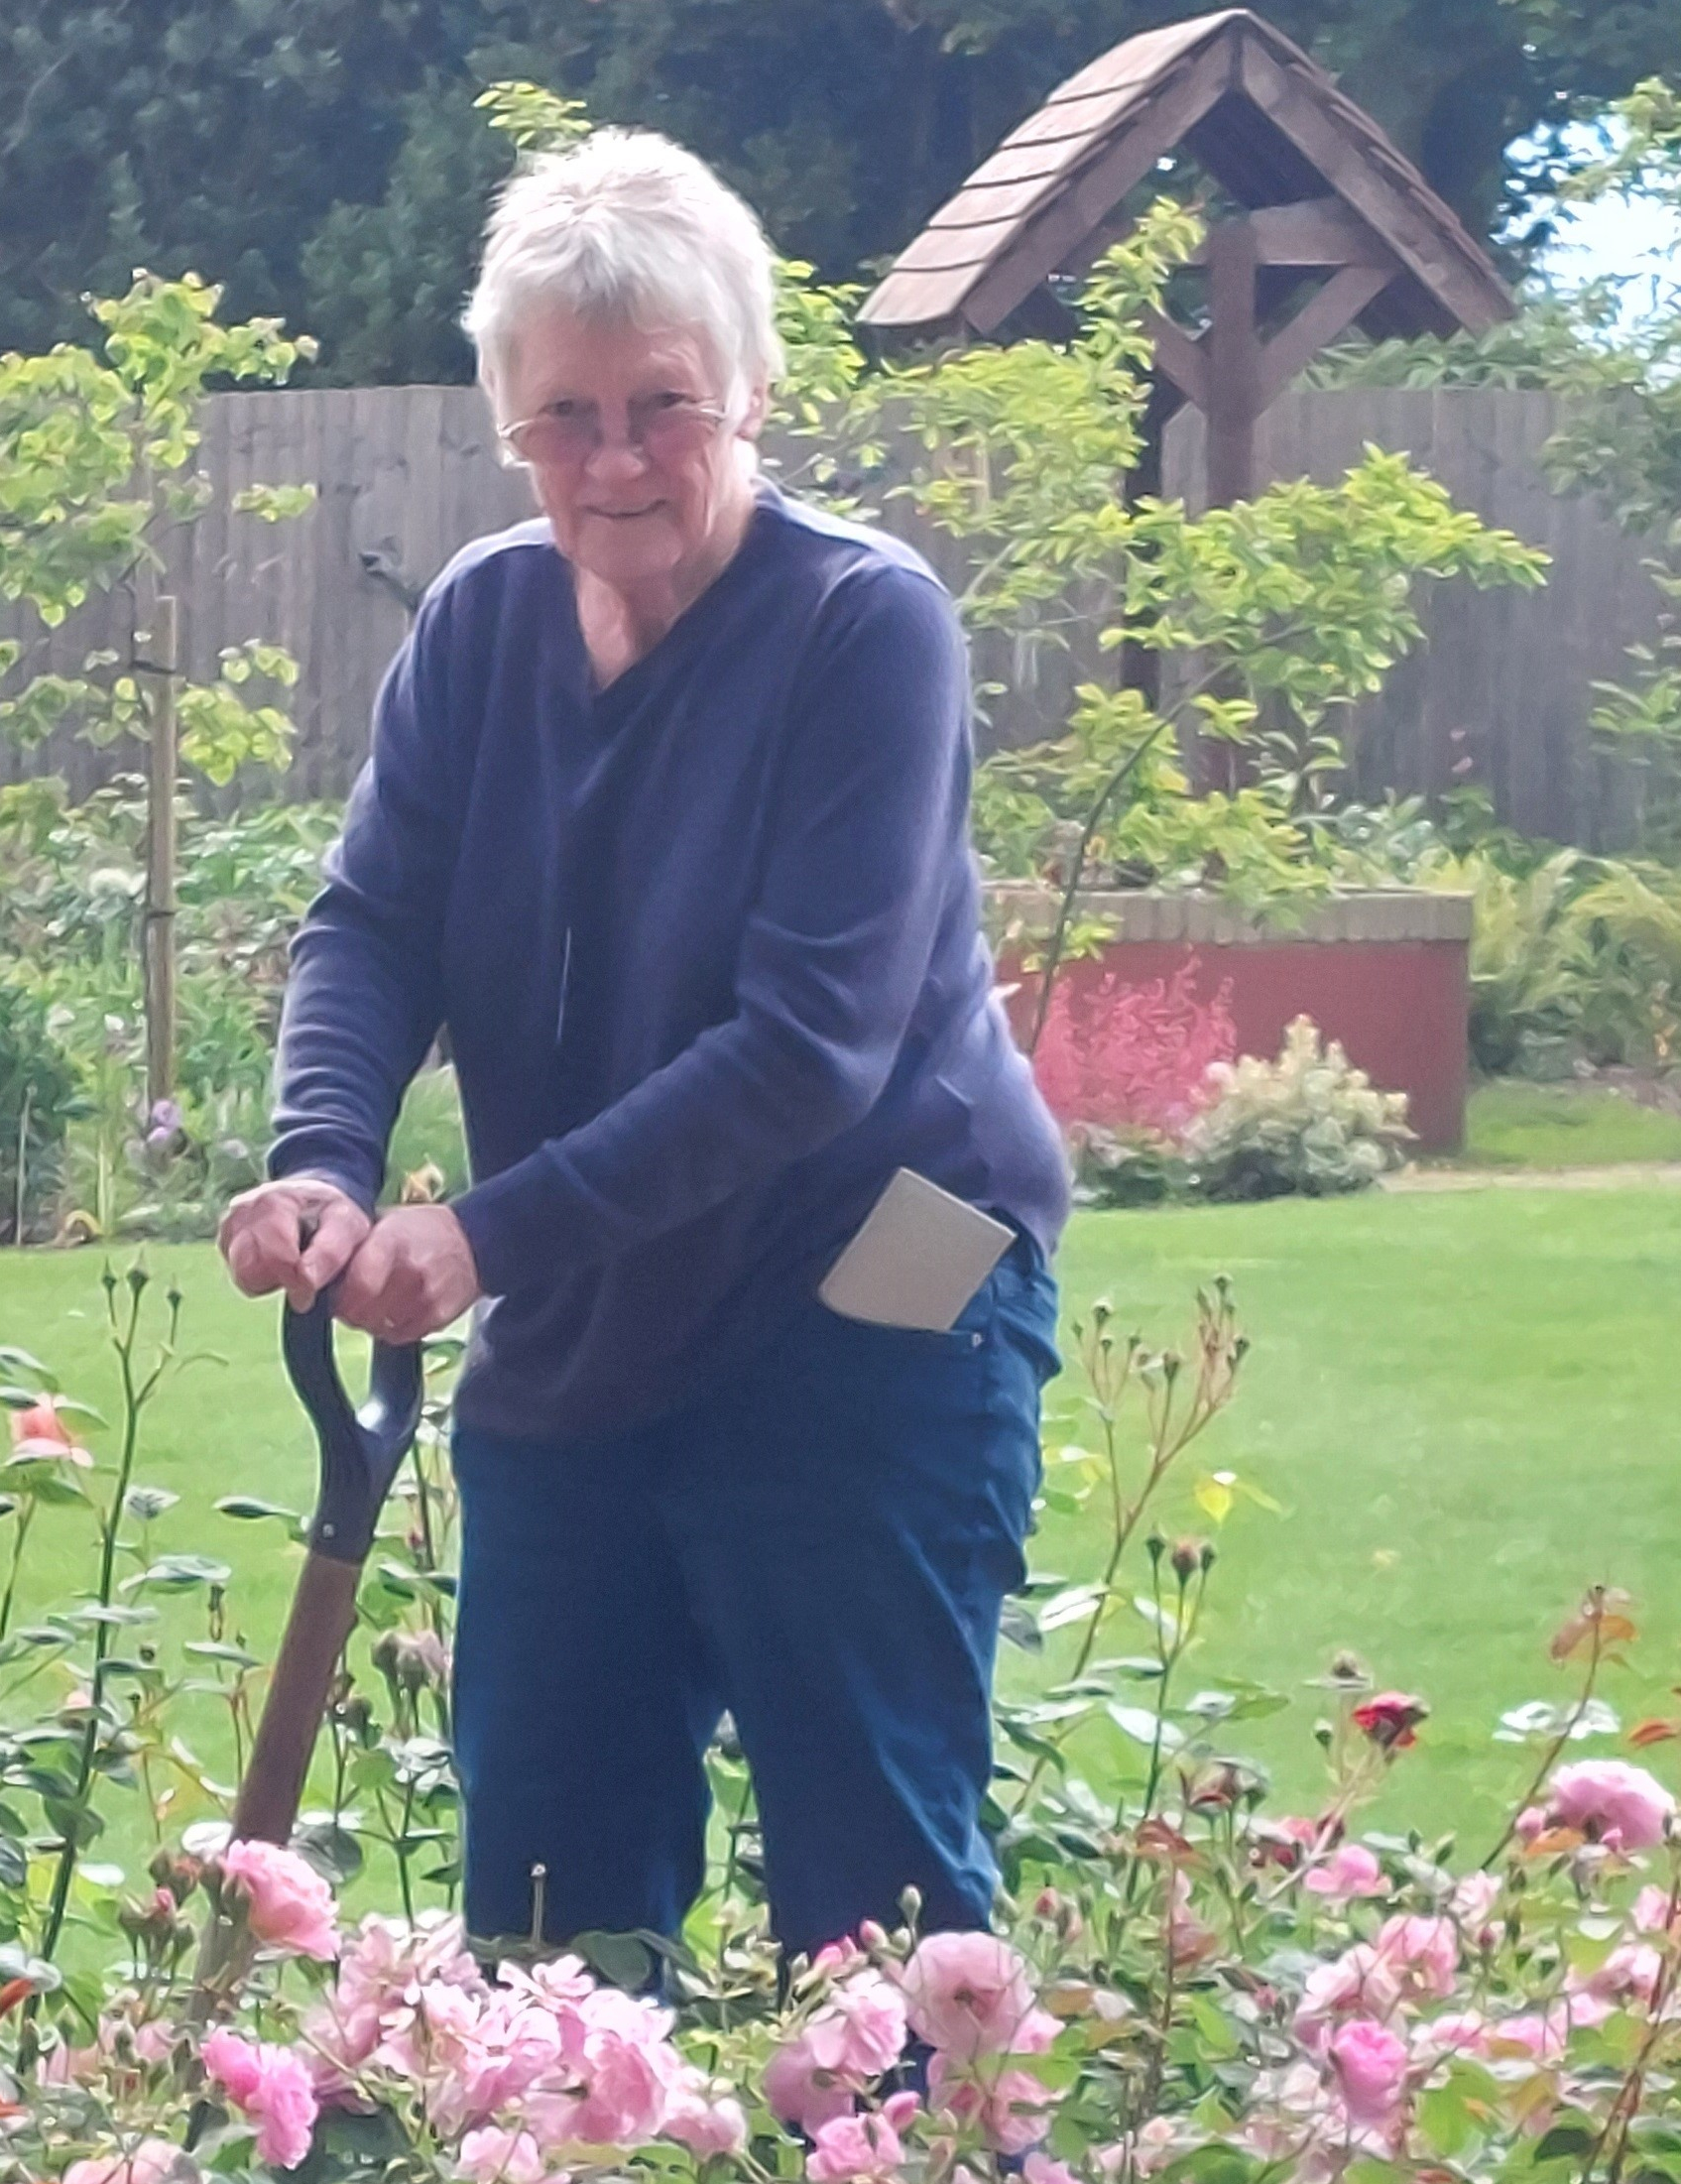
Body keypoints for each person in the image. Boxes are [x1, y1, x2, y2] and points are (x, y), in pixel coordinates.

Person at [217, 129, 1067, 1961]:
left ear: (752, 390)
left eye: (663, 405)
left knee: (876, 1902)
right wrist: (325, 1164)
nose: (614, 460)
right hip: (606, 1297)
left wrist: (479, 1238)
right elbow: (374, 925)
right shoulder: (482, 624)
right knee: (544, 1901)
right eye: (566, 416)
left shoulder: (865, 627)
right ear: (508, 422)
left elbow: (811, 1047)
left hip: (893, 1260)